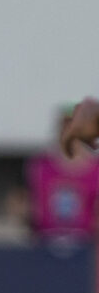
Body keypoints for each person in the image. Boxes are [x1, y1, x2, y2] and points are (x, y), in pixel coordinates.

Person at [9, 104, 99, 246]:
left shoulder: (95, 169)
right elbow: (18, 201)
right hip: (44, 244)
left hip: (86, 247)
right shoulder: (38, 166)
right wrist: (26, 211)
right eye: (66, 126)